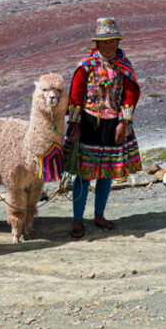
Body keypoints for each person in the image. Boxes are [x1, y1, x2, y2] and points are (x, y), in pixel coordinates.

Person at [64, 17, 141, 239]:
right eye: (104, 42)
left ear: (117, 41)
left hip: (113, 125)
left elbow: (130, 94)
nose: (109, 46)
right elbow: (76, 96)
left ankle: (99, 215)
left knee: (106, 173)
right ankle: (78, 220)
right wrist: (75, 125)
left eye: (112, 41)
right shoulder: (86, 65)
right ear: (97, 43)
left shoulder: (124, 66)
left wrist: (123, 123)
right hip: (88, 124)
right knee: (83, 175)